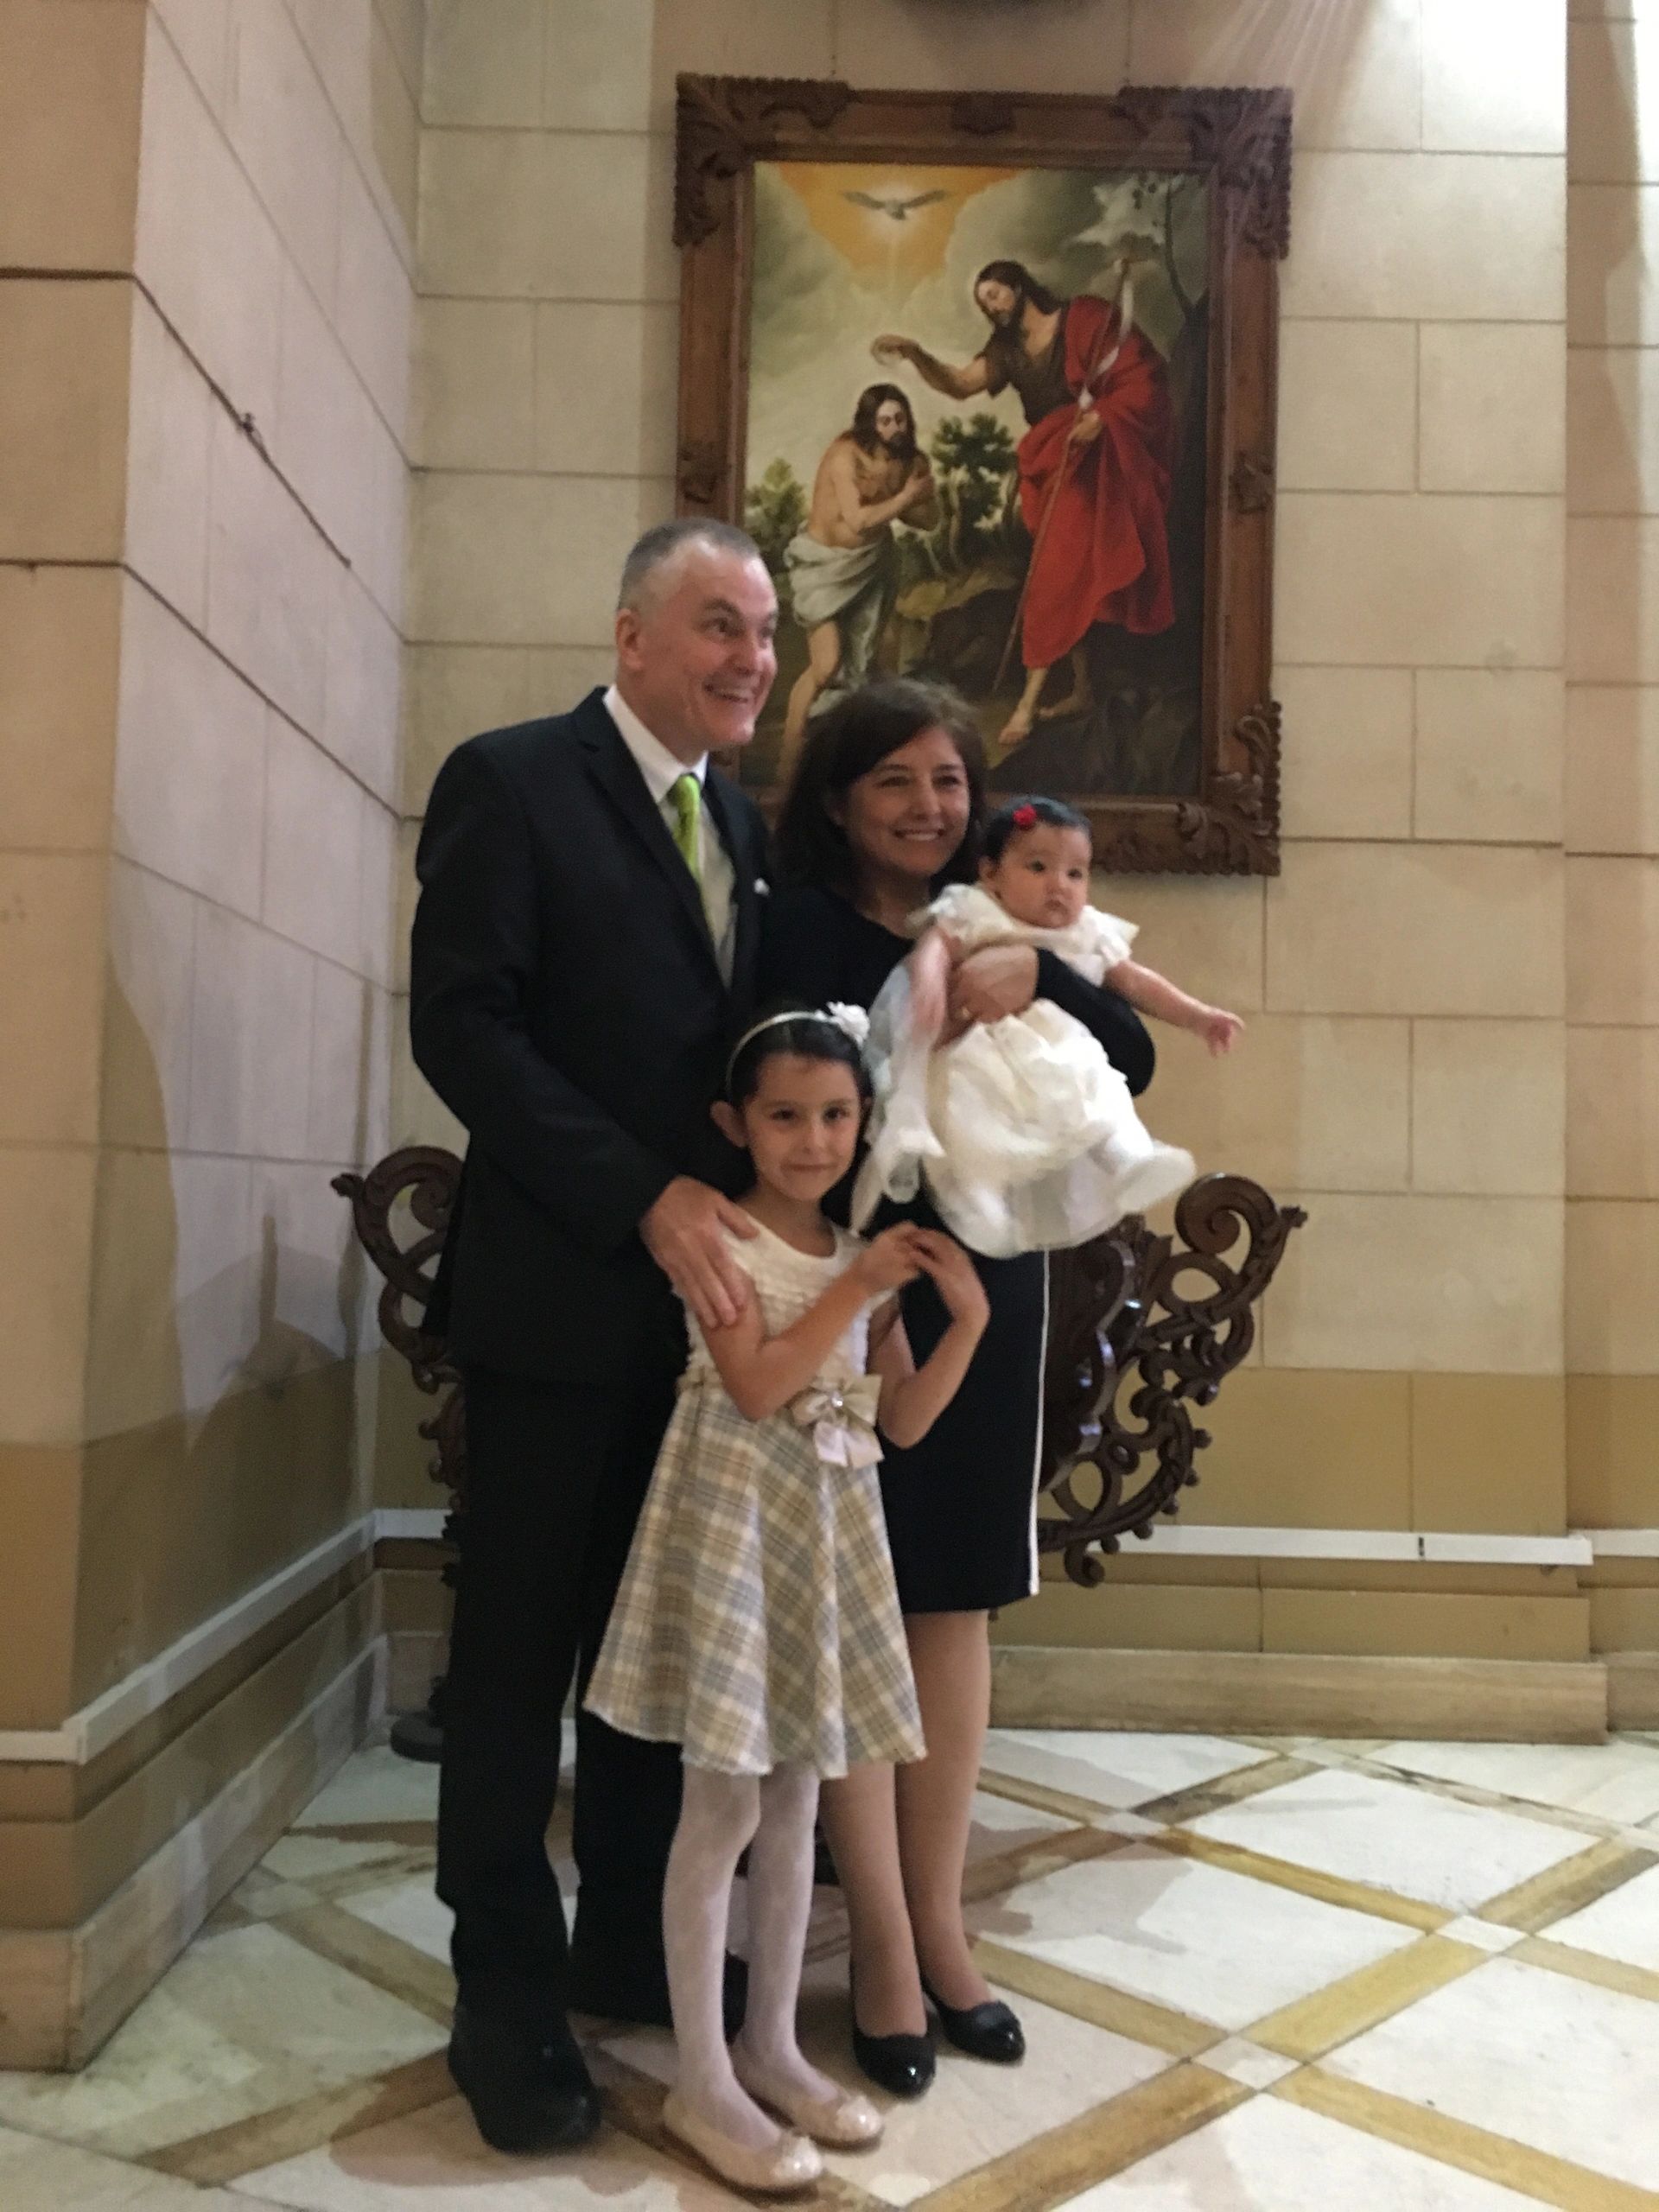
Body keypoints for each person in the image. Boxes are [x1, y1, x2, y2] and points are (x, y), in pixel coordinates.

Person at [409, 519, 779, 2155]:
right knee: (518, 1663)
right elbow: (460, 1025)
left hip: (706, 1333)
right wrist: (642, 1196)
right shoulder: (514, 779)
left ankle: (628, 1937)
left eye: (762, 635)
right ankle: (504, 1993)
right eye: (716, 626)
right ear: (630, 635)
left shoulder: (746, 824)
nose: (747, 658)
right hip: (559, 1301)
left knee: (653, 1657)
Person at [758, 677, 1156, 2096]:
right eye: (896, 784)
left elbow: (1139, 1048)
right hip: (848, 1284)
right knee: (861, 1593)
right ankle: (874, 1943)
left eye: (948, 782)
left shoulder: (1022, 920)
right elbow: (779, 1090)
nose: (929, 807)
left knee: (958, 1596)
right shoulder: (792, 925)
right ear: (839, 801)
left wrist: (1039, 976)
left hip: (991, 1286)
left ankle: (941, 1923)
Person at [587, 1006, 988, 2191]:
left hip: (824, 1528)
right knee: (720, 1808)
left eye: (835, 1116)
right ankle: (699, 2076)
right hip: (734, 1524)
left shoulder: (864, 1248)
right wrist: (856, 1285)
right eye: (785, 1116)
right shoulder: (719, 1236)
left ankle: (768, 2043)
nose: (813, 1141)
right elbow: (759, 1385)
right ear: (735, 1124)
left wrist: (960, 1320)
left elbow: (901, 1418)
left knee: (801, 1799)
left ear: (866, 1120)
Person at [857, 794, 1242, 1258]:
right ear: (991, 874)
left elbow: (1136, 982)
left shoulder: (1086, 930)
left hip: (1059, 1050)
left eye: (1075, 873)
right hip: (978, 1047)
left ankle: (1129, 1158)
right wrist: (929, 987)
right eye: (1038, 868)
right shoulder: (974, 911)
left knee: (1101, 1088)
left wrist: (1198, 1016)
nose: (1058, 886)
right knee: (966, 1112)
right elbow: (933, 950)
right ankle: (981, 1202)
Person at [874, 257, 1174, 747]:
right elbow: (959, 383)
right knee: (1071, 571)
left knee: (1058, 573)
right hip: (1052, 461)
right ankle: (1081, 688)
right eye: (983, 302)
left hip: (1095, 461)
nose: (990, 307)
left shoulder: (1085, 320)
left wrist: (1105, 416)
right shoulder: (1006, 351)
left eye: (995, 294)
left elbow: (1144, 376)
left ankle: (1028, 704)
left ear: (1019, 287)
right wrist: (915, 353)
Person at [780, 384, 938, 772]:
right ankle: (788, 751)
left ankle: (854, 753)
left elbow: (928, 521)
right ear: (870, 423)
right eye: (885, 420)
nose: (894, 427)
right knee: (826, 665)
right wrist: (905, 498)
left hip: (872, 564)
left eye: (900, 419)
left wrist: (919, 497)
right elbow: (857, 519)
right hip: (823, 566)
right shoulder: (845, 455)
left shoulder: (909, 461)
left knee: (868, 661)